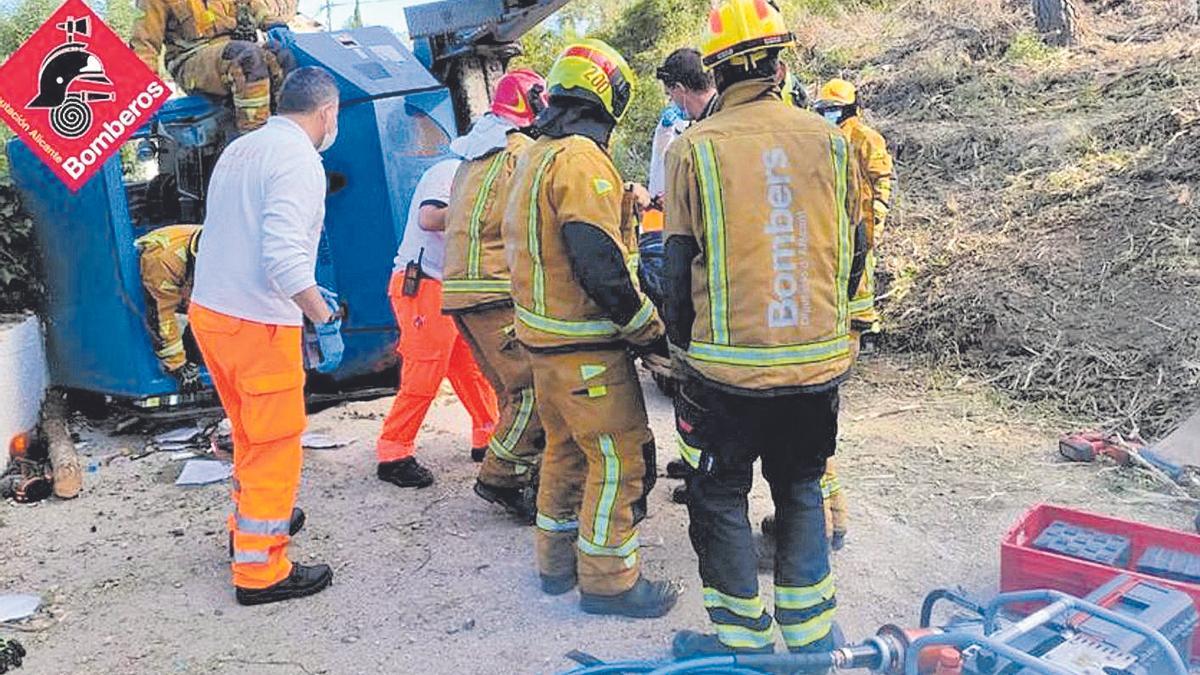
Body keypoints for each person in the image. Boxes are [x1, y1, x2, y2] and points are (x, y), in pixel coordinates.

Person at [663, 0, 867, 656]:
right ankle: (810, 644)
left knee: (720, 494)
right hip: (816, 366)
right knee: (801, 484)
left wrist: (682, 353)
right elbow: (858, 248)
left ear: (715, 74)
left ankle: (744, 648)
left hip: (727, 372)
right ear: (781, 65)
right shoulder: (832, 141)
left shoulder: (694, 147)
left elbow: (675, 271)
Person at [505, 39, 678, 618]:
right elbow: (596, 259)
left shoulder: (533, 155)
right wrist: (647, 331)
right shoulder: (581, 159)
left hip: (544, 346)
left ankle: (555, 565)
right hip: (584, 349)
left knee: (566, 454)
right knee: (620, 458)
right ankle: (609, 582)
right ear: (609, 97)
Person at [189, 66, 344, 606]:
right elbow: (283, 257)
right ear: (327, 113)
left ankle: (246, 527)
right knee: (275, 444)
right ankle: (261, 571)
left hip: (214, 314)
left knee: (250, 434)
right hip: (257, 323)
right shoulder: (301, 161)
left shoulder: (242, 149)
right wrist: (321, 314)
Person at [441, 69, 549, 522]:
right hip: (495, 290)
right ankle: (500, 477)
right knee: (535, 392)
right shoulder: (521, 153)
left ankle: (528, 471)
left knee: (509, 393)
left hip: (463, 292)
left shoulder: (473, 154)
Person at [375, 158, 500, 489]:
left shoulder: (490, 179)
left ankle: (488, 435)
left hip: (451, 286)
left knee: (470, 367)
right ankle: (393, 452)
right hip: (423, 284)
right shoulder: (450, 172)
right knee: (425, 372)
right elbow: (429, 218)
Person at [814, 78, 894, 354]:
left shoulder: (865, 137)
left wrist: (877, 218)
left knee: (861, 279)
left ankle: (865, 330)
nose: (829, 115)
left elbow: (880, 179)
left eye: (834, 109)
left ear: (849, 108)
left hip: (860, 220)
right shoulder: (822, 137)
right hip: (832, 221)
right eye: (824, 110)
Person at [131, 0, 296, 131]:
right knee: (245, 58)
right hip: (191, 61)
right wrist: (145, 91)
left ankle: (288, 134)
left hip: (235, 49)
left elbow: (254, 6)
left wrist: (275, 24)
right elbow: (144, 44)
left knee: (281, 55)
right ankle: (255, 143)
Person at [136, 224, 204, 392]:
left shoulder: (226, 249)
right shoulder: (163, 260)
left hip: (182, 281)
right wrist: (179, 366)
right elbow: (161, 316)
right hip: (146, 283)